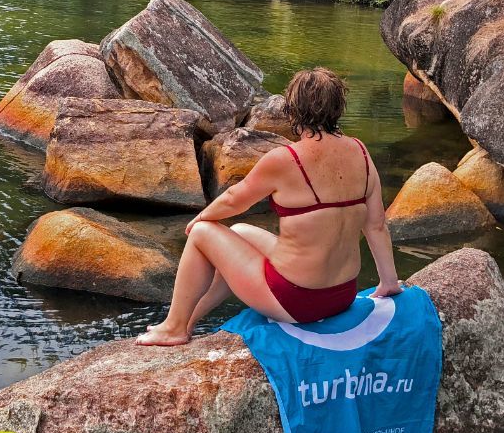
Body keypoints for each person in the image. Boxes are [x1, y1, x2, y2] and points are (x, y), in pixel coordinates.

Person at [136, 67, 404, 347]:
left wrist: (200, 217)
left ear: (293, 110)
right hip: (341, 296)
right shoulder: (361, 152)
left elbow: (234, 198)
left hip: (296, 301)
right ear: (338, 106)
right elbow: (376, 226)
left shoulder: (286, 159)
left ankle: (174, 328)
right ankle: (188, 321)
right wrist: (389, 282)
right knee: (239, 232)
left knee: (203, 232)